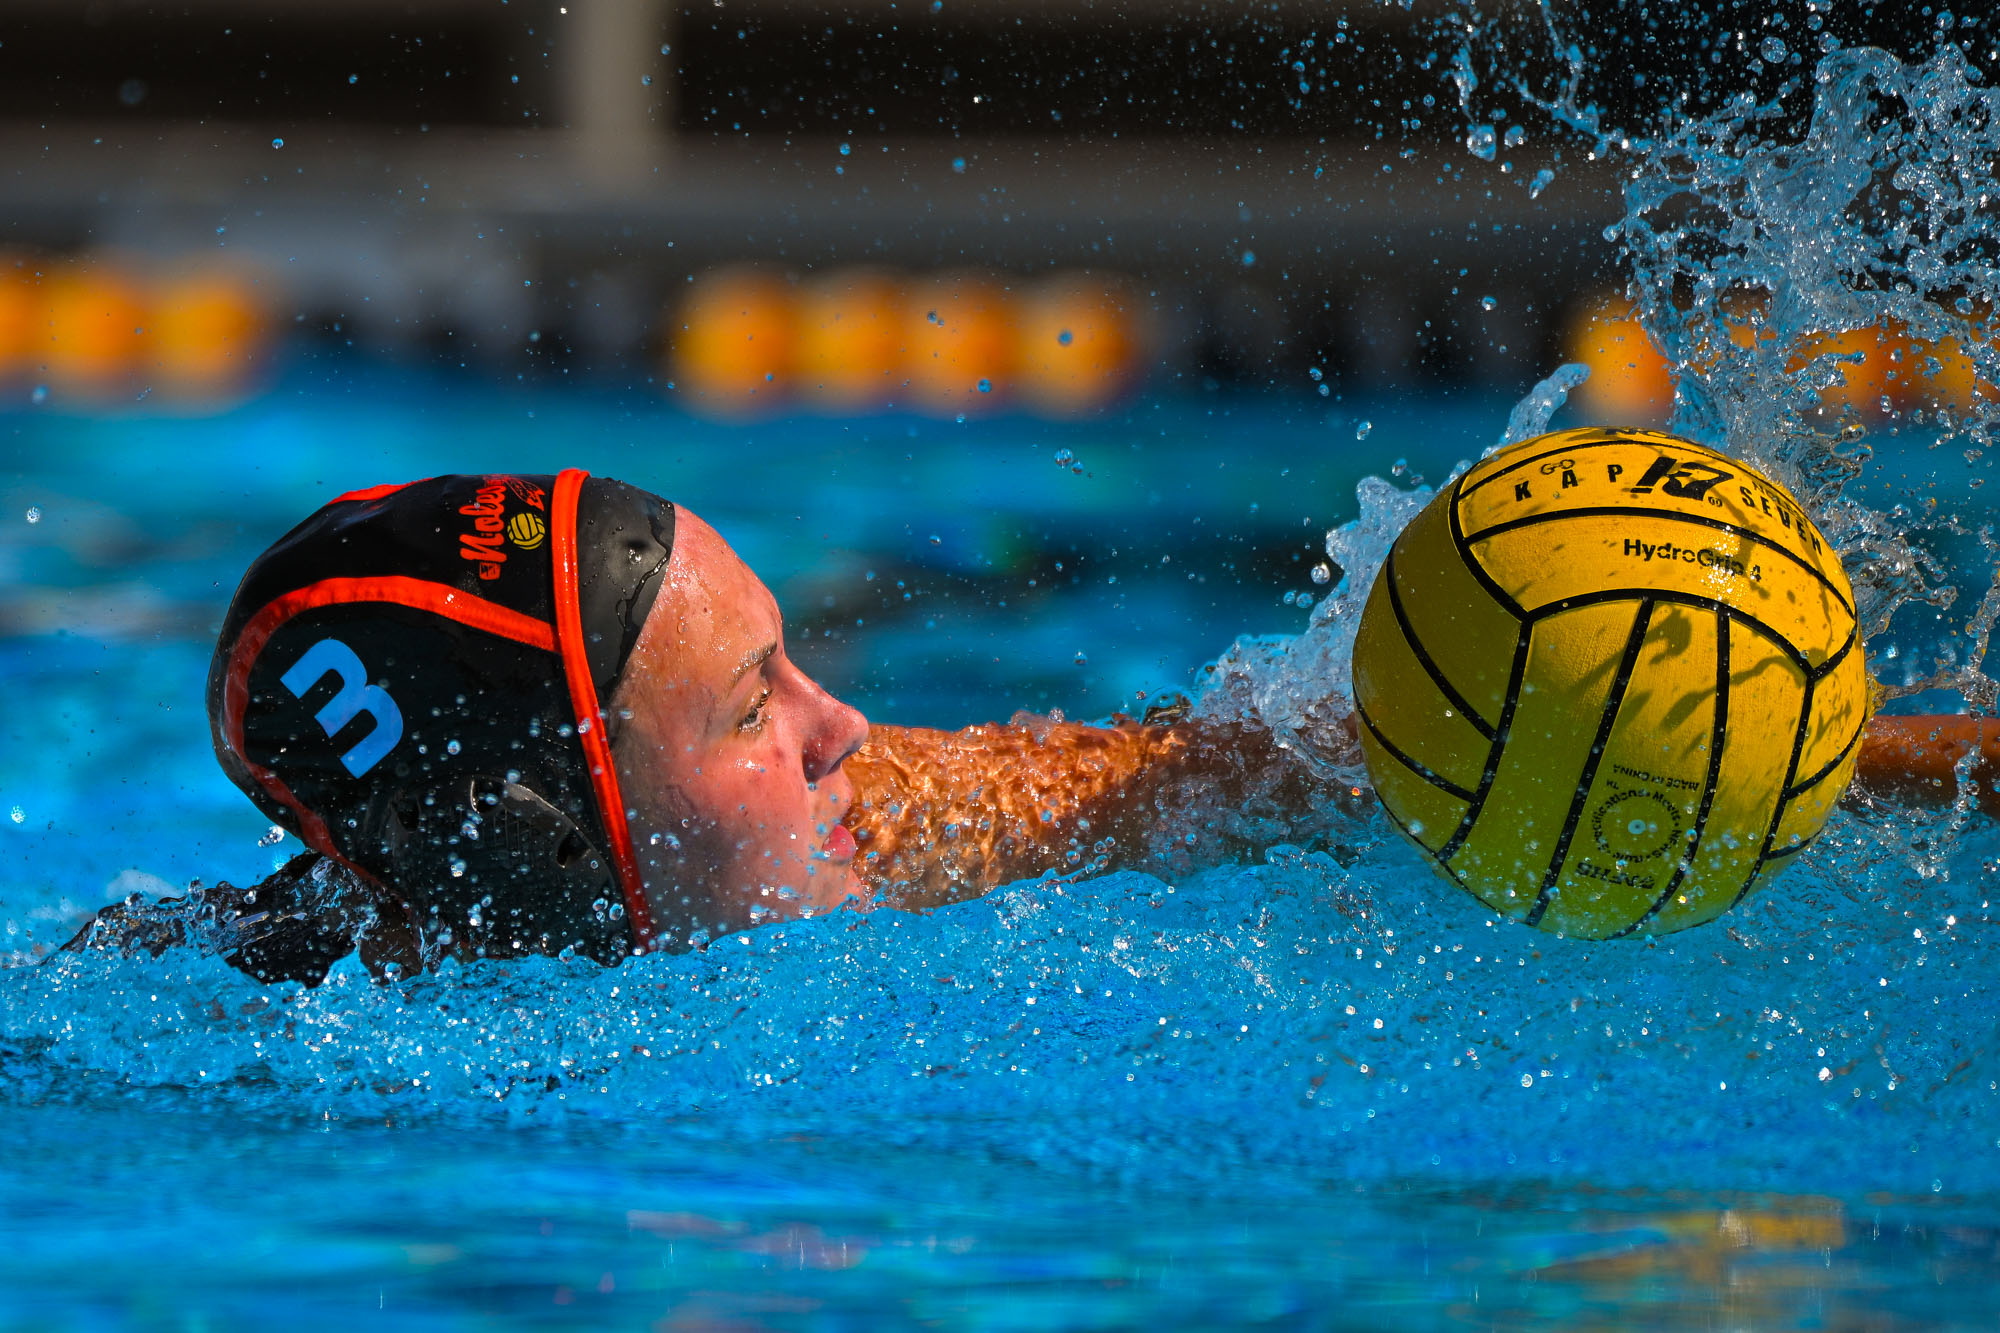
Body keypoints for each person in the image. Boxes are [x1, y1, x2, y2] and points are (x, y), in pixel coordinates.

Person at [64, 470, 2000, 983]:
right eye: (752, 709)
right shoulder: (218, 1057)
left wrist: (1901, 758)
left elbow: (1287, 772)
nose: (850, 730)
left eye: (797, 661)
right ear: (556, 858)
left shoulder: (881, 827)